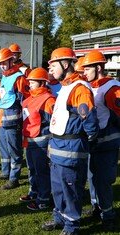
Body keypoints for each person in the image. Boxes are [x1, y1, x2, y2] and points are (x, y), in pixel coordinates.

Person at [42, 47, 99, 235]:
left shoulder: (79, 88)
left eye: (53, 65)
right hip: (58, 148)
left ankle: (71, 226)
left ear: (65, 64)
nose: (50, 69)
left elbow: (89, 119)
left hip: (71, 150)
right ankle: (59, 217)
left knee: (70, 190)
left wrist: (87, 139)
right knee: (58, 189)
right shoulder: (66, 86)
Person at [82, 50, 120, 231]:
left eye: (87, 69)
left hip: (106, 142)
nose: (84, 73)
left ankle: (108, 215)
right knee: (92, 177)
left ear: (98, 68)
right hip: (94, 142)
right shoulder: (92, 85)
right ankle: (97, 206)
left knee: (103, 181)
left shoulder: (112, 88)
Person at [19, 68, 56, 211]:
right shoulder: (30, 98)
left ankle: (44, 199)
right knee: (32, 169)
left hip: (41, 140)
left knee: (42, 171)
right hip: (30, 140)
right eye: (29, 81)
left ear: (42, 83)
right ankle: (34, 192)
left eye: (32, 82)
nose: (29, 84)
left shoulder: (48, 99)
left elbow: (53, 121)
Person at [0, 48, 29, 190]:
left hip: (13, 120)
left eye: (4, 62)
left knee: (14, 150)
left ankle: (14, 178)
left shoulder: (19, 77)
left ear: (11, 60)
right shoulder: (5, 76)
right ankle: (5, 171)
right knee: (4, 148)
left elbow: (24, 99)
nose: (2, 65)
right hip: (2, 119)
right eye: (0, 63)